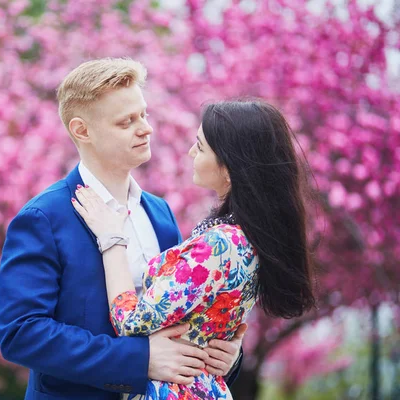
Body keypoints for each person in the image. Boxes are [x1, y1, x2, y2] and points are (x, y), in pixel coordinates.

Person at [0, 58, 246, 400]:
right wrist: (138, 360)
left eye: (143, 114)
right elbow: (21, 333)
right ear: (82, 130)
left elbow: (181, 316)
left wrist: (224, 354)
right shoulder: (42, 218)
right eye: (127, 121)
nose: (146, 128)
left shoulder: (160, 214)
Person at [71, 99, 317, 399]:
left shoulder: (219, 245)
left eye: (200, 147)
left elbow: (131, 321)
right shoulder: (250, 237)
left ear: (228, 169)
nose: (190, 152)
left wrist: (111, 238)